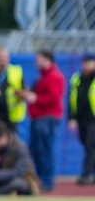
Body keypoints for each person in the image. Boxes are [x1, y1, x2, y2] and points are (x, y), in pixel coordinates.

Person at [22, 50, 65, 192]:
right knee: (36, 150)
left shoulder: (54, 76)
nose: (36, 62)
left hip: (47, 117)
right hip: (38, 117)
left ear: (48, 60)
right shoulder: (42, 76)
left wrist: (35, 99)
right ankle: (41, 179)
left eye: (39, 59)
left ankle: (47, 181)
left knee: (46, 149)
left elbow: (54, 98)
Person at [67, 54, 95, 185]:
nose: (86, 66)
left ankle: (85, 175)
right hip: (81, 119)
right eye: (85, 63)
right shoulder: (76, 78)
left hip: (93, 119)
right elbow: (71, 99)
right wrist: (72, 118)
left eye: (90, 63)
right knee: (86, 145)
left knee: (91, 146)